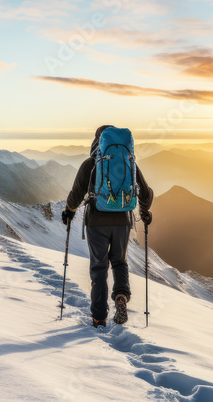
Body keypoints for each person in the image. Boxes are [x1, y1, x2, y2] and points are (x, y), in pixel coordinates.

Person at [60, 125, 154, 328]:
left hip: (96, 222)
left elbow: (76, 194)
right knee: (120, 263)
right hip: (122, 222)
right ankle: (121, 296)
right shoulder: (129, 162)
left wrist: (69, 212)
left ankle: (99, 317)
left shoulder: (91, 163)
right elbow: (146, 194)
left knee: (99, 268)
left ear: (98, 142)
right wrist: (145, 213)